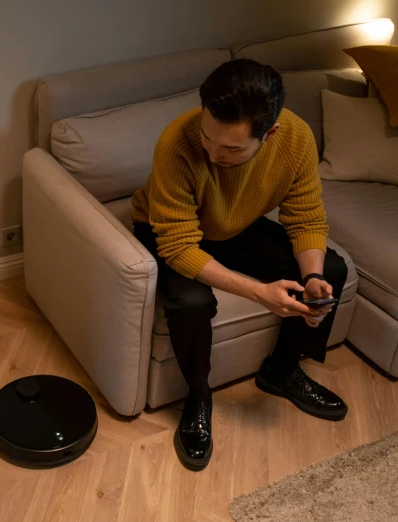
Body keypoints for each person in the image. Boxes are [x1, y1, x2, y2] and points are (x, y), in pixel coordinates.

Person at [131, 59, 348, 471]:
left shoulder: (297, 139)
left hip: (235, 226)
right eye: (208, 137)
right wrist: (258, 293)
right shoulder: (177, 142)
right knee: (191, 303)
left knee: (332, 270)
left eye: (231, 149)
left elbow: (306, 217)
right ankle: (198, 397)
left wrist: (313, 276)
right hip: (167, 231)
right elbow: (178, 246)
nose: (213, 154)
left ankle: (282, 371)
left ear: (270, 134)